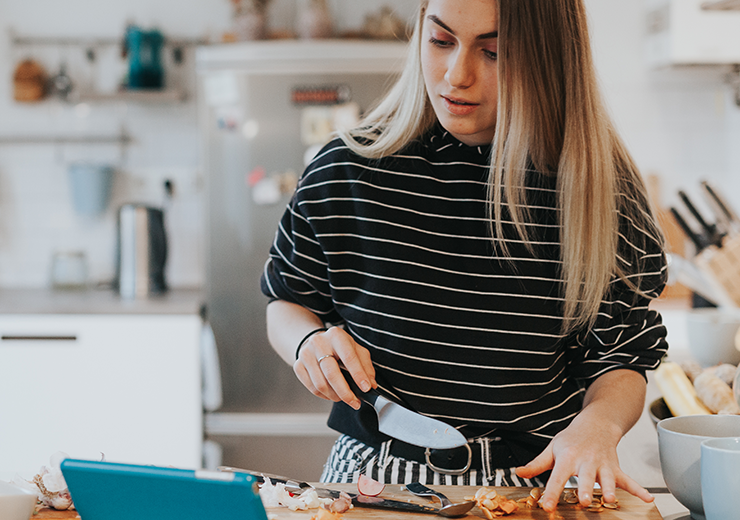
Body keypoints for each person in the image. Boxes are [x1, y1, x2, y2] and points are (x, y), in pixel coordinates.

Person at [259, 0, 668, 512]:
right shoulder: (346, 168)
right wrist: (307, 342)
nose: (457, 74)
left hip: (533, 483)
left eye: (493, 52)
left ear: (551, 59)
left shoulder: (596, 189)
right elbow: (286, 301)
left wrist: (598, 427)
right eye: (441, 40)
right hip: (373, 476)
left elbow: (623, 356)